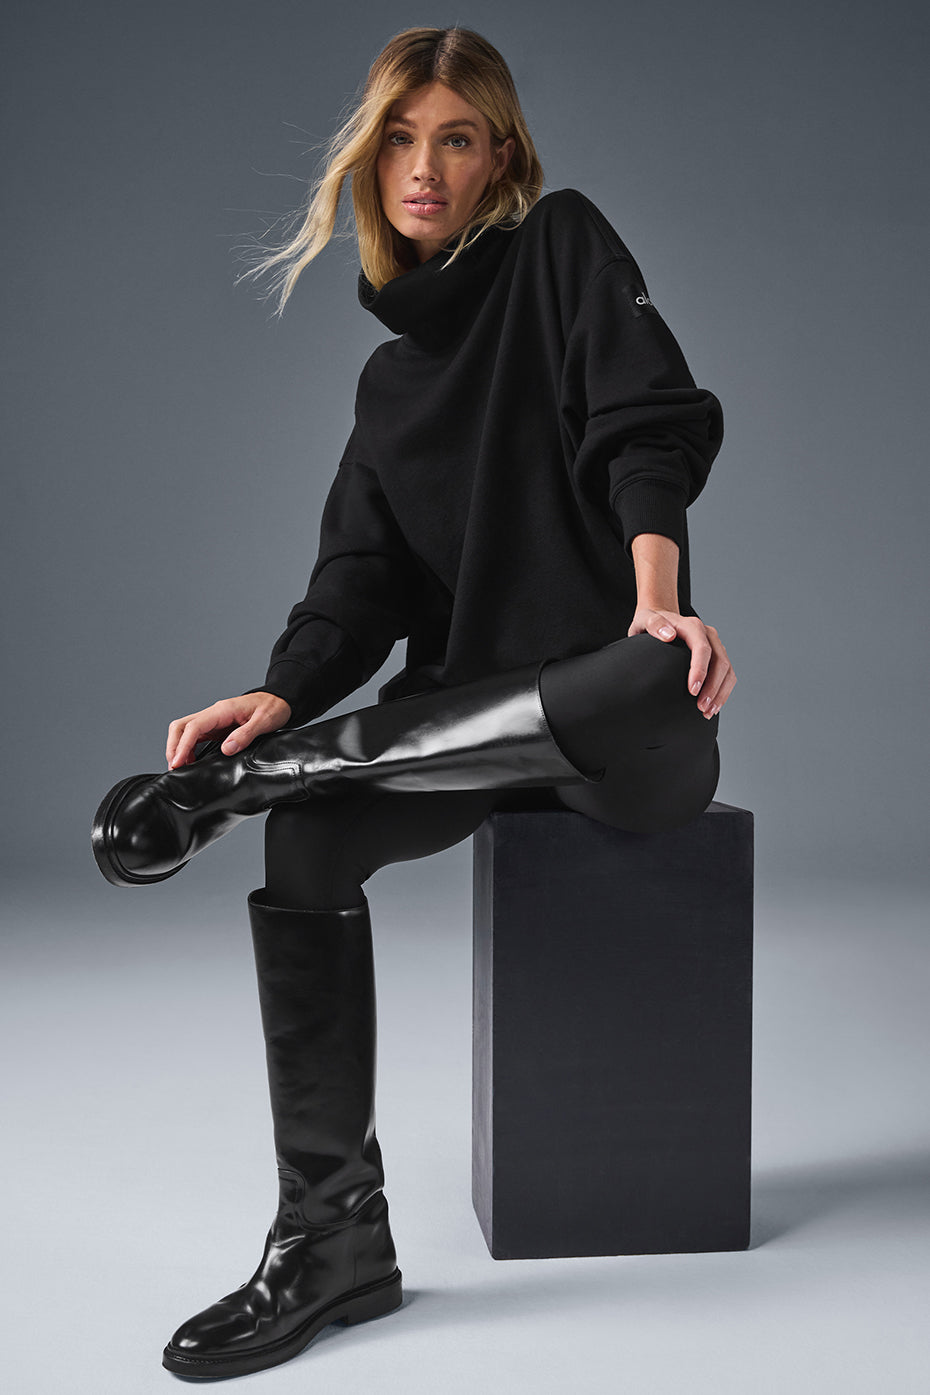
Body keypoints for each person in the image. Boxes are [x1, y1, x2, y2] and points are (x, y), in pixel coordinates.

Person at [92, 25, 736, 1382]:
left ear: (501, 158)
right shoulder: (389, 385)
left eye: (456, 138)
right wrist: (276, 694)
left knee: (642, 671)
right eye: (400, 138)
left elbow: (647, 421)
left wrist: (657, 599)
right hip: (474, 729)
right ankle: (333, 1240)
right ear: (370, 162)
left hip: (619, 728)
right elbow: (359, 581)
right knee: (309, 842)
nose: (424, 166)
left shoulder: (562, 244)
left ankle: (255, 783)